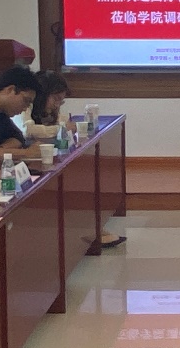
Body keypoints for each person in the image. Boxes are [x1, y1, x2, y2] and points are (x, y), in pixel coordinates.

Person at [28, 70, 125, 248]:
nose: (58, 104)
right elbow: (28, 130)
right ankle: (87, 231)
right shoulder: (26, 106)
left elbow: (62, 122)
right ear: (42, 94)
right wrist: (61, 128)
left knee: (78, 179)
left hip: (48, 158)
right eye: (55, 99)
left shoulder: (51, 109)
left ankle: (89, 228)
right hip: (28, 162)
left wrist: (61, 125)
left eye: (61, 100)